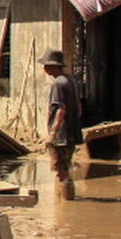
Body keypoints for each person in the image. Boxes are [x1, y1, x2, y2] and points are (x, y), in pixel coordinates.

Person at [42, 49, 83, 197]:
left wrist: (53, 133)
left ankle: (66, 204)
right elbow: (79, 108)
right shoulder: (70, 80)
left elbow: (61, 110)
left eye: (46, 65)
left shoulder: (58, 84)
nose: (44, 68)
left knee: (60, 171)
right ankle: (65, 199)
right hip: (71, 133)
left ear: (54, 66)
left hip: (61, 136)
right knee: (66, 167)